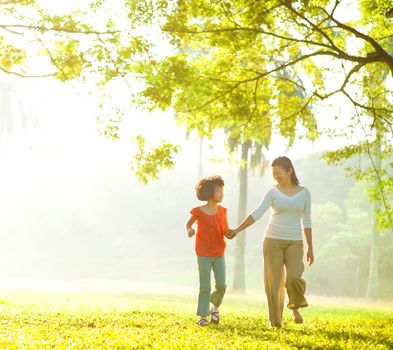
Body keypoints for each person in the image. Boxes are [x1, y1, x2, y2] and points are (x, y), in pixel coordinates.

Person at [227, 156, 314, 328]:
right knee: (273, 284)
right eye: (273, 173)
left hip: (295, 242)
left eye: (278, 173)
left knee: (294, 277)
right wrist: (237, 229)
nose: (275, 176)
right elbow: (257, 213)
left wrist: (310, 247)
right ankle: (276, 322)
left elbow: (307, 221)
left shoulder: (305, 193)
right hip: (272, 240)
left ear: (289, 171)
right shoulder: (273, 192)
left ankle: (294, 305)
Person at [186, 175, 230, 326]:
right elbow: (188, 225)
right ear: (209, 192)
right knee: (205, 286)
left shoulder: (223, 211)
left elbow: (225, 231)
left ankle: (215, 308)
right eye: (219, 190)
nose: (222, 193)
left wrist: (232, 233)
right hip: (203, 253)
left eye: (222, 190)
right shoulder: (198, 211)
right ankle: (203, 316)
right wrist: (190, 230)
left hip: (219, 253)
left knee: (221, 285)